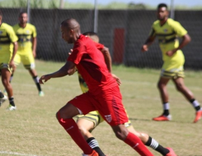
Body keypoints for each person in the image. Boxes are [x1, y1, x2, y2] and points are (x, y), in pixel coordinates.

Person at [39, 18, 154, 156]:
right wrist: (109, 73)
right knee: (63, 115)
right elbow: (105, 50)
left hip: (107, 93)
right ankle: (91, 153)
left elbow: (68, 70)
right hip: (94, 93)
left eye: (63, 32)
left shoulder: (80, 44)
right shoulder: (86, 41)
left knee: (121, 132)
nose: (61, 36)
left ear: (71, 31)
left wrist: (49, 75)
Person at [76, 32, 176, 156]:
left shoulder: (98, 61)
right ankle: (96, 154)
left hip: (109, 103)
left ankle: (166, 152)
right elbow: (70, 68)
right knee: (80, 128)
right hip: (93, 104)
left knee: (133, 135)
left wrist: (109, 73)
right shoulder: (80, 55)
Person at [141, 3, 202, 123]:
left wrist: (174, 50)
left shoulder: (173, 24)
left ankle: (166, 113)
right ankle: (198, 108)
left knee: (161, 84)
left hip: (174, 59)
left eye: (162, 11)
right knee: (180, 86)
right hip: (169, 59)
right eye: (158, 11)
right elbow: (151, 38)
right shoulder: (156, 25)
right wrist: (146, 45)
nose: (160, 13)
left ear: (167, 13)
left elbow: (187, 38)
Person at [12, 12, 44, 97]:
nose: (23, 19)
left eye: (25, 17)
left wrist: (34, 50)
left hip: (27, 52)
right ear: (19, 18)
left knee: (32, 71)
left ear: (27, 18)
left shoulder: (31, 28)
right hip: (17, 53)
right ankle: (6, 87)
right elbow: (12, 41)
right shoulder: (14, 28)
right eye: (21, 17)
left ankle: (40, 90)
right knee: (12, 68)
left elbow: (34, 39)